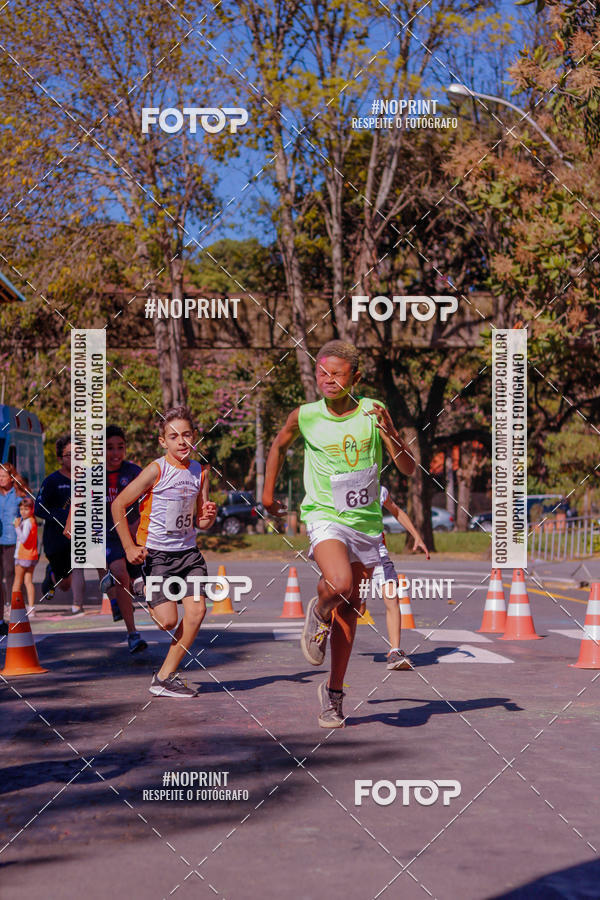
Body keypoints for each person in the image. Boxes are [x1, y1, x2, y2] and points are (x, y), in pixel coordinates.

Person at [262, 340, 415, 728]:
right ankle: (317, 610)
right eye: (321, 373)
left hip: (366, 525)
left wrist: (393, 433)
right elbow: (278, 445)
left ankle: (333, 696)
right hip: (325, 515)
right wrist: (267, 496)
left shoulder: (373, 411)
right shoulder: (306, 416)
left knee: (349, 611)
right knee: (339, 582)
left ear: (356, 378)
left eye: (337, 374)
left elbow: (409, 469)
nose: (327, 381)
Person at [111, 406, 217, 697]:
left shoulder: (200, 472)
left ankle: (164, 677)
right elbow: (118, 505)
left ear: (194, 437)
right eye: (174, 436)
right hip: (157, 555)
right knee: (167, 621)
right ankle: (138, 585)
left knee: (197, 611)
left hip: (189, 554)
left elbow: (202, 521)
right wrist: (129, 547)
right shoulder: (156, 470)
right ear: (163, 442)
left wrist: (209, 514)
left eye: (186, 435)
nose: (181, 441)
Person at [64, 425, 147, 653]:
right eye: (109, 448)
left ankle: (118, 596)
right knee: (120, 573)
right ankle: (133, 634)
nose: (116, 453)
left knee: (135, 582)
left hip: (134, 533)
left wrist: (138, 523)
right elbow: (78, 497)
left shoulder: (134, 472)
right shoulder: (92, 474)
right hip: (107, 534)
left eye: (120, 447)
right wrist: (71, 523)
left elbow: (150, 497)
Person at [372, 486, 429, 670]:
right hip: (352, 552)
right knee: (354, 605)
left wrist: (416, 536)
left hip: (378, 552)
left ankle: (395, 651)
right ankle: (322, 617)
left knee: (392, 598)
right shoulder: (345, 483)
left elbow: (396, 510)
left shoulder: (379, 490)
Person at [34, 435, 86, 615]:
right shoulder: (52, 481)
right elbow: (38, 509)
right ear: (60, 458)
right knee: (64, 585)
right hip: (56, 539)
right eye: (69, 454)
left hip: (79, 537)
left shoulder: (88, 479)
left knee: (79, 566)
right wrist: (62, 517)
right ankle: (52, 574)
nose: (75, 458)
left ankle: (78, 605)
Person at [0, 463, 27, 635]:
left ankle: (13, 609)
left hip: (12, 540)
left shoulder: (18, 495)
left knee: (10, 574)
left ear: (11, 478)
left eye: (3, 476)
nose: (0, 479)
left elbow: (27, 512)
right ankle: (1, 617)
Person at [13, 496, 39, 616]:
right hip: (31, 556)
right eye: (21, 509)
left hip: (23, 556)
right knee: (28, 582)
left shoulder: (28, 522)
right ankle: (31, 608)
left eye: (26, 509)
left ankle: (15, 608)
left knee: (17, 583)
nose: (23, 512)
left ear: (31, 510)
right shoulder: (33, 521)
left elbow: (23, 538)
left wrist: (17, 527)